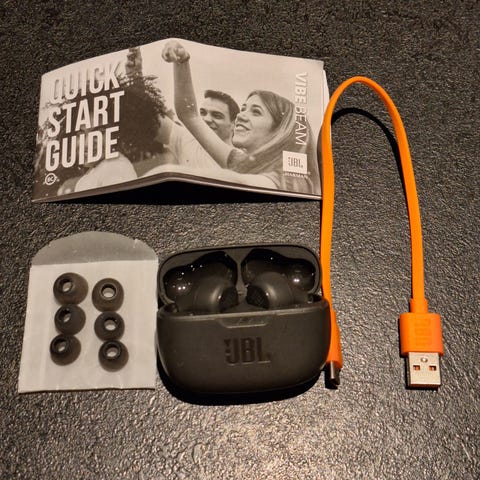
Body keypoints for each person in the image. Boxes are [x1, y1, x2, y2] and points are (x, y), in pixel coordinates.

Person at [160, 40, 321, 194]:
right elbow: (190, 115)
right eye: (243, 109)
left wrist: (174, 174)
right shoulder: (241, 161)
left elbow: (241, 182)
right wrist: (182, 61)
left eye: (256, 112)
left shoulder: (292, 180)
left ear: (279, 131)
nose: (241, 116)